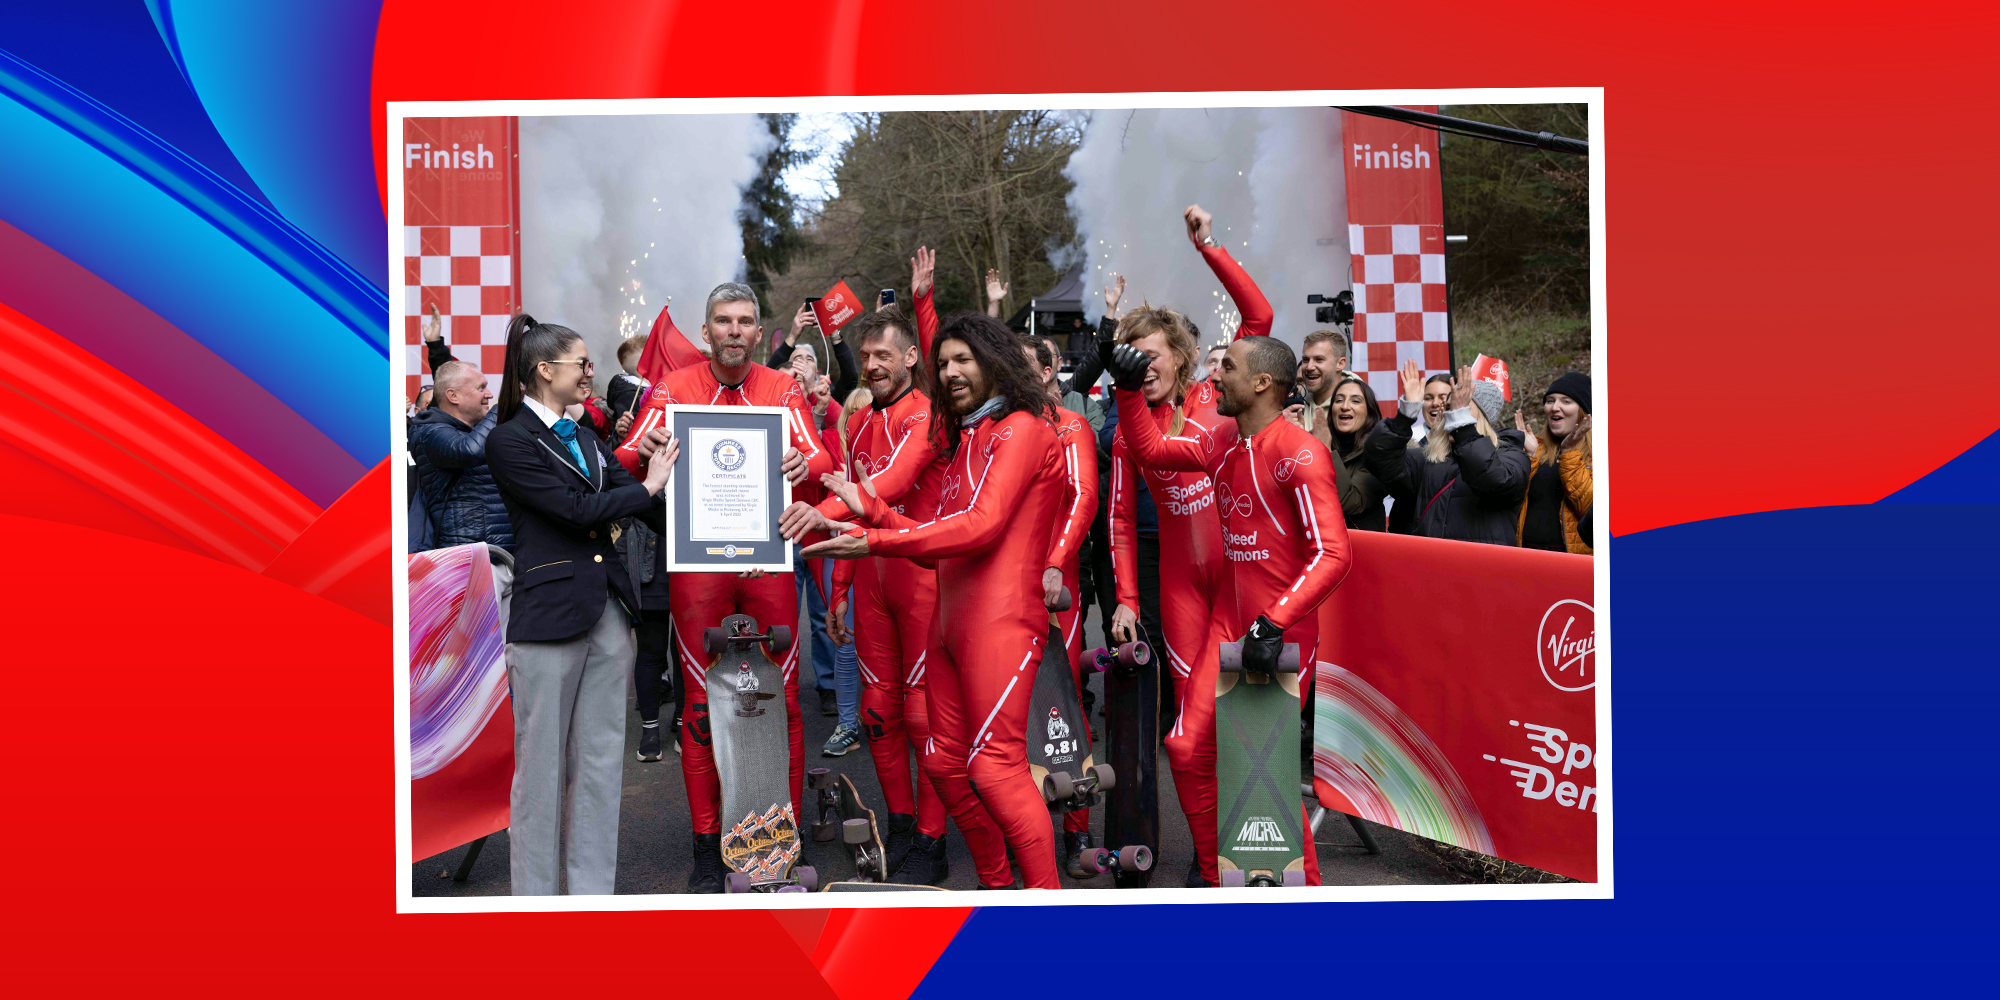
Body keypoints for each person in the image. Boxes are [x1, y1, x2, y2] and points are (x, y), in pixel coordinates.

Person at [797, 312, 1070, 890]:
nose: (949, 373)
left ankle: (1048, 913)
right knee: (944, 763)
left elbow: (981, 528)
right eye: (943, 362)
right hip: (948, 623)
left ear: (994, 359)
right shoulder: (970, 434)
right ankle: (996, 887)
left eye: (962, 360)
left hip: (1000, 624)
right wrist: (870, 512)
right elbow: (937, 540)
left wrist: (874, 536)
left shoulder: (1023, 428)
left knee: (994, 769)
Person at [1109, 332, 1353, 885]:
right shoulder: (1222, 442)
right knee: (1185, 746)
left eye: (1231, 369)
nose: (1216, 376)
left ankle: (1306, 895)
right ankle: (1217, 879)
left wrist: (1275, 620)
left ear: (1263, 383)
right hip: (1229, 621)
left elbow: (1335, 555)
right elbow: (1148, 449)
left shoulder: (1299, 451)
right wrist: (1127, 390)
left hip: (1279, 635)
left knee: (1265, 777)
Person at [613, 281, 832, 893]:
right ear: (706, 331)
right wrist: (650, 446)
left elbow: (818, 458)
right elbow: (626, 458)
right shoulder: (676, 387)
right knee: (703, 709)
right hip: (700, 567)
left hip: (765, 563)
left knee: (784, 702)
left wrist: (801, 465)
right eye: (722, 321)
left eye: (744, 322)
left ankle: (781, 840)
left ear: (758, 333)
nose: (733, 331)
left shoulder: (782, 388)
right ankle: (708, 845)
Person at [783, 302, 987, 885]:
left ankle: (932, 835)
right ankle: (900, 824)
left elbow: (885, 488)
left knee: (924, 717)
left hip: (920, 577)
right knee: (877, 712)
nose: (871, 365)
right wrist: (840, 591)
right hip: (870, 578)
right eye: (866, 356)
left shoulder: (926, 415)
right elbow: (856, 514)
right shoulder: (860, 421)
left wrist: (812, 514)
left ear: (909, 358)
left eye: (882, 356)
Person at [484, 313, 678, 895]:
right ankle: (536, 904)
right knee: (540, 772)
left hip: (608, 614)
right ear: (546, 371)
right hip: (548, 620)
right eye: (582, 363)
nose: (591, 372)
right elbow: (572, 509)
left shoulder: (588, 436)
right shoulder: (508, 439)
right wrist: (646, 485)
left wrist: (725, 535)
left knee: (599, 768)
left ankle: (591, 896)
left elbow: (637, 505)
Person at [1024, 335, 1102, 877]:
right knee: (1004, 710)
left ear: (1052, 373)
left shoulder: (1069, 424)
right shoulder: (989, 424)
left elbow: (1084, 497)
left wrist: (1054, 562)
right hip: (1001, 590)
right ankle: (1023, 825)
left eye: (1028, 368)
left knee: (1064, 707)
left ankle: (1077, 833)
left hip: (1057, 590)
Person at [1365, 360, 1530, 545]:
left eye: (1462, 409)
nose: (1452, 416)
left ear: (1484, 417)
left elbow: (1494, 478)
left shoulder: (1513, 456)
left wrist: (1464, 431)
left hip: (1482, 569)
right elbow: (1379, 459)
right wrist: (1405, 416)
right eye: (1450, 409)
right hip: (1432, 567)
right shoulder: (1428, 459)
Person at [409, 360, 515, 551]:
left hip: (501, 556)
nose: (489, 394)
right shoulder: (429, 432)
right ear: (453, 396)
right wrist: (501, 407)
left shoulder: (473, 431)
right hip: (471, 560)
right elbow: (468, 451)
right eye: (480, 387)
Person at [1293, 374, 1387, 532]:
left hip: (1359, 548)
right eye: (1338, 400)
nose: (1345, 406)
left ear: (1369, 412)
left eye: (1355, 401)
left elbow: (1349, 502)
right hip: (1313, 542)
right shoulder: (1312, 441)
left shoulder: (1380, 451)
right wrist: (1293, 444)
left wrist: (1324, 451)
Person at [1514, 372, 1594, 554]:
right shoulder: (1535, 448)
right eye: (1550, 401)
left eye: (1566, 401)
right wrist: (1528, 456)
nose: (1554, 407)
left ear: (1584, 411)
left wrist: (1570, 452)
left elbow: (1590, 510)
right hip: (1525, 555)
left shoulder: (1600, 455)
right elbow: (1509, 505)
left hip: (1571, 562)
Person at [1291, 329, 1350, 447]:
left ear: (1340, 364)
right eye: (1305, 360)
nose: (1309, 367)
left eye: (1319, 359)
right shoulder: (1293, 404)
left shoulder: (1355, 407)